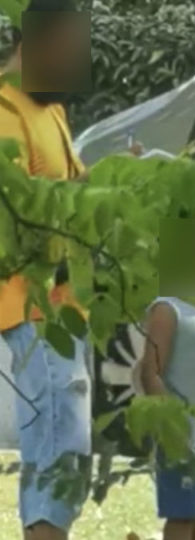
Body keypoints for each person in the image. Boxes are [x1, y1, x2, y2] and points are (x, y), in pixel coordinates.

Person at [0, 1, 91, 538]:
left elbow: (74, 186)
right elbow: (19, 220)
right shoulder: (4, 114)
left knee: (66, 447)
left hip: (65, 306)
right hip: (30, 305)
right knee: (58, 445)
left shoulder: (50, 107)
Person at [137, 297, 195, 540]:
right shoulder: (167, 309)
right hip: (184, 435)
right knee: (183, 515)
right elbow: (151, 373)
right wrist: (172, 430)